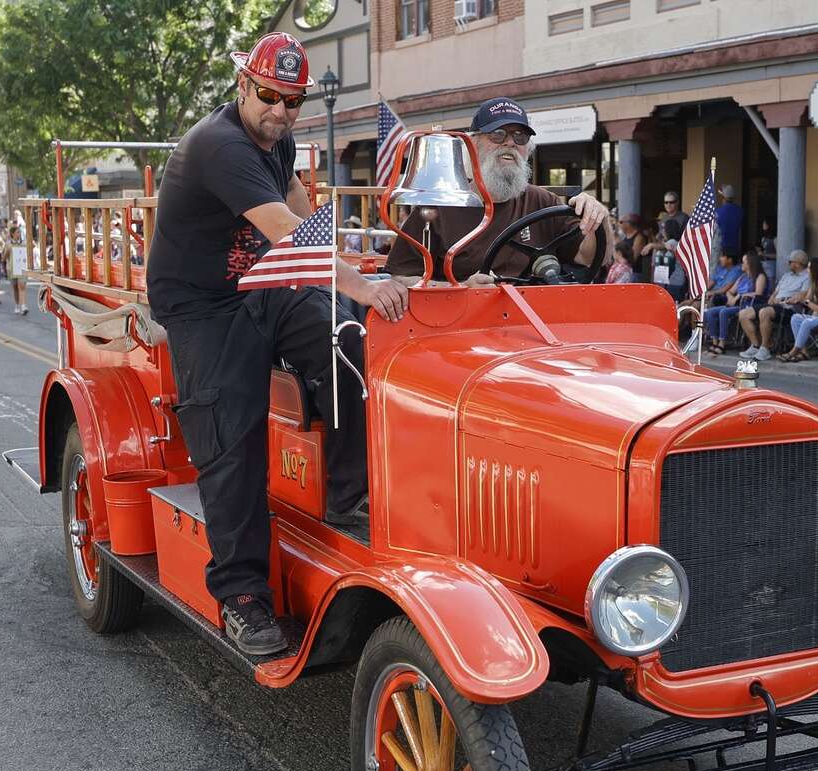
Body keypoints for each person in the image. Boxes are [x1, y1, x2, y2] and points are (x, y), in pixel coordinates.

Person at [144, 31, 410, 656]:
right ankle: (242, 598)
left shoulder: (276, 137)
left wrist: (356, 277)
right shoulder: (220, 145)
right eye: (268, 95)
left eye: (292, 101)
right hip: (202, 303)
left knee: (346, 340)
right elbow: (288, 232)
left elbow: (300, 207)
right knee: (231, 436)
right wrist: (358, 284)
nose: (280, 111)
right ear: (243, 86)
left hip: (261, 282)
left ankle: (348, 497)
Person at [385, 96, 606, 285]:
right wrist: (461, 288)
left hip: (535, 322)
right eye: (497, 134)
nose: (510, 142)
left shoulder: (543, 202)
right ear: (473, 145)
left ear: (527, 149)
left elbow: (589, 258)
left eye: (520, 136)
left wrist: (598, 217)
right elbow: (399, 277)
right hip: (462, 325)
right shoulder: (440, 207)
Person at [735, 248, 809, 360]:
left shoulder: (807, 277)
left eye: (790, 262)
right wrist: (772, 297)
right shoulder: (787, 275)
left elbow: (802, 296)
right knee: (743, 314)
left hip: (789, 308)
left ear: (798, 264)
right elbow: (776, 291)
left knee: (764, 312)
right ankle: (755, 345)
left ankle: (765, 348)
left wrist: (782, 299)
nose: (788, 264)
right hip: (775, 306)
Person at [778, 256, 818, 362]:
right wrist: (795, 300)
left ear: (816, 270)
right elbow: (806, 299)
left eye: (809, 268)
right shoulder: (814, 284)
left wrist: (806, 301)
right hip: (816, 317)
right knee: (795, 318)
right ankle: (804, 352)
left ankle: (794, 351)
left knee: (806, 322)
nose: (807, 270)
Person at [698, 250, 743, 351]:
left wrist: (710, 294)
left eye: (723, 256)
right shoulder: (720, 269)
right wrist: (701, 292)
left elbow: (726, 289)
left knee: (701, 307)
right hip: (714, 295)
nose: (720, 259)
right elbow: (710, 284)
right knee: (689, 304)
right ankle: (697, 336)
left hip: (721, 297)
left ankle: (708, 338)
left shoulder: (737, 271)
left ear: (730, 260)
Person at [715, 183, 744, 261]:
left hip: (721, 248)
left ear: (723, 198)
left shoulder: (718, 212)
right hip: (735, 246)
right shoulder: (740, 211)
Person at [7, 219, 29, 314]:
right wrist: (7, 252)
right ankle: (17, 305)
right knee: (15, 288)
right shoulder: (8, 244)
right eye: (17, 232)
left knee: (22, 286)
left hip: (22, 268)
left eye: (19, 232)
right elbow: (3, 257)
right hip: (12, 268)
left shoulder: (24, 243)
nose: (19, 234)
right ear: (12, 234)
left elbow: (29, 251)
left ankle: (23, 306)